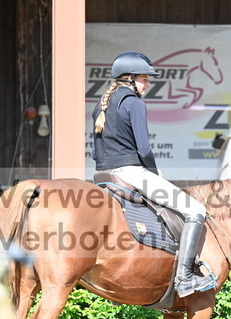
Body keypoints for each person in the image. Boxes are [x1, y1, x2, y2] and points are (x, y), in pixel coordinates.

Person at [92, 51, 216, 298]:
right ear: (128, 78)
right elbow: (144, 149)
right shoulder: (134, 103)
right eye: (144, 79)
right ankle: (185, 278)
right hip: (132, 172)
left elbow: (97, 150)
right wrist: (153, 172)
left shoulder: (101, 104)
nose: (148, 83)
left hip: (105, 175)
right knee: (196, 211)